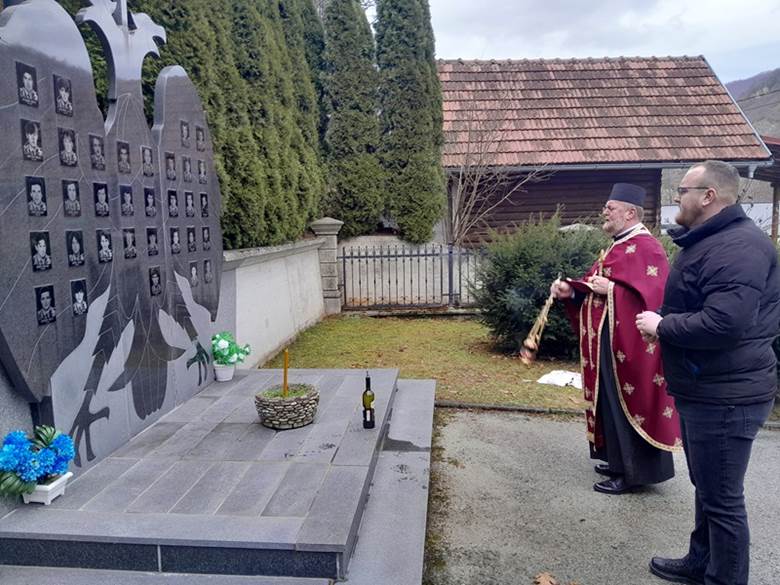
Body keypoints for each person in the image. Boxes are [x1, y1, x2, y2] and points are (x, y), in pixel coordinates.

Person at [636, 161, 780, 585]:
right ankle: (701, 562)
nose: (676, 198)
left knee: (722, 500)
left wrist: (662, 327)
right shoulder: (714, 240)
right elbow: (697, 303)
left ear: (708, 196)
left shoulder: (738, 247)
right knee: (709, 488)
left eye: (682, 190)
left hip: (727, 394)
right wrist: (664, 320)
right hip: (709, 387)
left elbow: (724, 323)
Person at [550, 183, 680, 495]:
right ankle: (616, 460)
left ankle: (633, 474)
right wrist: (572, 290)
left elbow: (655, 295)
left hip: (630, 345)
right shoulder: (616, 246)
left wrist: (612, 291)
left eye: (611, 208)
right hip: (607, 342)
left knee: (627, 403)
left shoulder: (648, 248)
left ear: (630, 212)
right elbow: (597, 285)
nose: (604, 212)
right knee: (608, 402)